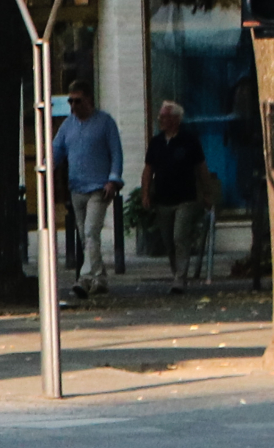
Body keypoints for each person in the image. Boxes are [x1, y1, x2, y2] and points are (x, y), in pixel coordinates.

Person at [50, 84, 124, 302]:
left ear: (89, 100)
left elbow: (116, 152)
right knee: (86, 237)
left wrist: (113, 179)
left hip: (99, 188)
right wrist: (47, 168)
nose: (73, 105)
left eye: (78, 100)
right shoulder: (67, 126)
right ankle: (100, 278)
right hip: (77, 187)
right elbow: (57, 149)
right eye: (70, 101)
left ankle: (84, 278)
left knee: (91, 231)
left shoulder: (105, 122)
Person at [141, 100, 206, 294]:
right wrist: (145, 193)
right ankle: (177, 272)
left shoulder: (189, 140)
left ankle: (180, 277)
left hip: (186, 198)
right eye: (160, 116)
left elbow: (201, 167)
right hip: (163, 199)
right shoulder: (156, 142)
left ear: (176, 119)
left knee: (180, 236)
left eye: (165, 117)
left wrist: (207, 193)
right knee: (168, 241)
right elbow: (148, 169)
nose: (161, 120)